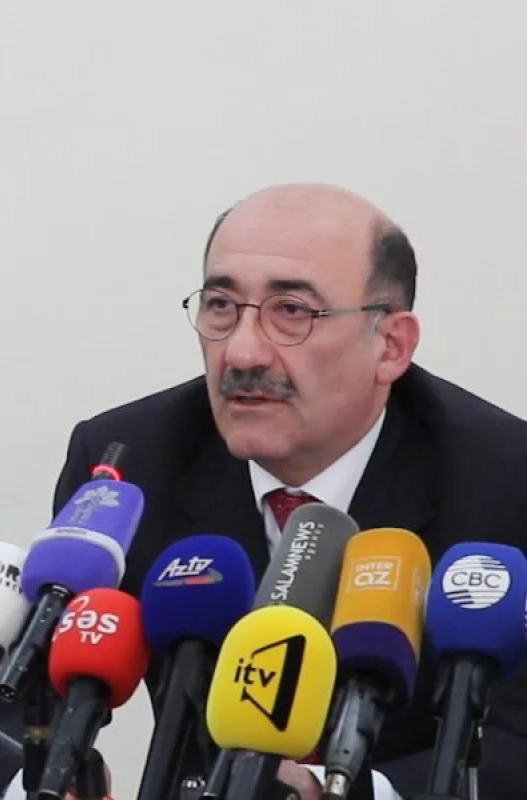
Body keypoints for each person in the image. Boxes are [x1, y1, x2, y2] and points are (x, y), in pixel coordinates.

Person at [48, 183, 527, 799]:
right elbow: (28, 685)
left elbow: (518, 739)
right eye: (221, 305)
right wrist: (45, 771)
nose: (242, 351)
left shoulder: (506, 479)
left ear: (391, 346)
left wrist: (338, 793)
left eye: (292, 311)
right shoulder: (130, 464)